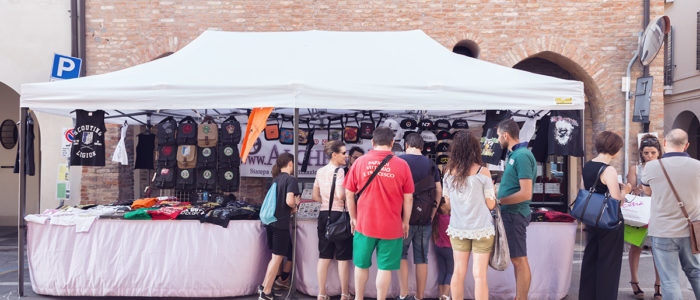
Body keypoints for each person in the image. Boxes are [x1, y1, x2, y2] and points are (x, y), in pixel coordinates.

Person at [344, 126, 415, 300]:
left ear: (373, 142)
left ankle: (358, 298)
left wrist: (353, 218)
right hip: (391, 226)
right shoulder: (402, 165)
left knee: (361, 265)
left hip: (364, 224)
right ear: (392, 143)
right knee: (384, 268)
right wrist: (405, 222)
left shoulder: (360, 162)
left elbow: (348, 193)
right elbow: (409, 198)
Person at [642, 128, 700, 300]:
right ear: (686, 145)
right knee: (696, 272)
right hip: (692, 231)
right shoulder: (698, 166)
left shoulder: (651, 166)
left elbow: (648, 192)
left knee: (669, 280)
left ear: (665, 143)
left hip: (662, 230)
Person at [443, 130, 496, 300]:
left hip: (458, 228)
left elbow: (448, 205)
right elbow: (491, 204)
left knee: (458, 272)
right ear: (475, 149)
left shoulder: (448, 173)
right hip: (481, 228)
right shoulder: (483, 172)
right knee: (479, 275)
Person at [578, 131, 632, 299]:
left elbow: (582, 191)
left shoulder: (587, 165)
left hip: (591, 219)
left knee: (590, 260)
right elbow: (617, 201)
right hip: (609, 222)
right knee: (608, 265)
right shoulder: (608, 170)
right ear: (615, 150)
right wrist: (626, 191)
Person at [397, 133, 442, 300]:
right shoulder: (431, 164)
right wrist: (432, 213)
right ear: (422, 147)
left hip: (402, 219)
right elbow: (439, 191)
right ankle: (420, 297)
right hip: (424, 219)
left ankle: (403, 294)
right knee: (422, 258)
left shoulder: (400, 162)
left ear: (406, 145)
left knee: (401, 255)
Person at [496, 118, 536, 300]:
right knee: (516, 259)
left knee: (519, 260)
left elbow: (526, 193)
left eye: (498, 136)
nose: (497, 140)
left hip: (515, 214)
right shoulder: (515, 155)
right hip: (510, 214)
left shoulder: (522, 156)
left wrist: (501, 201)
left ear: (506, 135)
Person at [313, 140, 352, 300]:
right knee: (342, 257)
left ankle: (321, 293)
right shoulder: (340, 171)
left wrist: (325, 200)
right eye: (343, 153)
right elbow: (340, 195)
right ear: (334, 155)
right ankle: (344, 294)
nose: (346, 155)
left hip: (324, 215)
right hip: (339, 216)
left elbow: (315, 195)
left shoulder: (320, 171)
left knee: (324, 256)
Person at [259, 152, 301, 300]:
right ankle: (267, 292)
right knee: (277, 258)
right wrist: (296, 204)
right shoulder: (291, 180)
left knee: (274, 257)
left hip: (271, 222)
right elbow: (290, 201)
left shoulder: (276, 179)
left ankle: (264, 286)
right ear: (290, 163)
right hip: (280, 223)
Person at [626, 134, 662, 300]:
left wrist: (651, 190)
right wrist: (636, 189)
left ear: (659, 152)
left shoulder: (663, 167)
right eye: (646, 153)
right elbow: (630, 189)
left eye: (653, 152)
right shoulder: (636, 168)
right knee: (636, 246)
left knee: (658, 249)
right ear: (641, 153)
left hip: (658, 211)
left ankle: (658, 284)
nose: (650, 156)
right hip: (639, 211)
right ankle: (634, 280)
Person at [432, 197, 453, 300]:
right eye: (448, 202)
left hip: (438, 248)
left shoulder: (436, 217)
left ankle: (441, 295)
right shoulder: (450, 220)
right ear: (443, 206)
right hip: (449, 249)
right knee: (450, 271)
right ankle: (445, 295)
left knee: (442, 271)